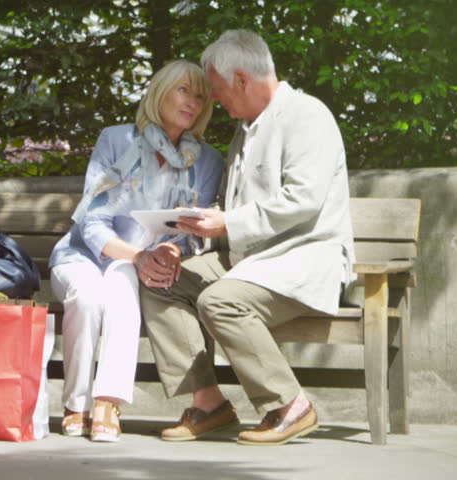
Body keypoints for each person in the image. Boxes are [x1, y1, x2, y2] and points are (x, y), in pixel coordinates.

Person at [139, 30, 356, 446]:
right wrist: (192, 233)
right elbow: (233, 213)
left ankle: (291, 405)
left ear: (242, 79)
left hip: (302, 258)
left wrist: (227, 223)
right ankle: (208, 404)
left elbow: (303, 201)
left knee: (220, 301)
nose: (215, 101)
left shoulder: (306, 115)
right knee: (160, 279)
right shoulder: (246, 129)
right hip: (249, 259)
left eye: (218, 90)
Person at [49, 59, 225, 442]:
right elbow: (92, 220)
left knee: (123, 289)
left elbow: (193, 231)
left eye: (200, 96)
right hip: (86, 255)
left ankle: (107, 401)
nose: (192, 102)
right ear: (160, 92)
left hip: (141, 264)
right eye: (183, 91)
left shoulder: (208, 161)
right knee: (88, 295)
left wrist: (172, 250)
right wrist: (136, 256)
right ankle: (75, 403)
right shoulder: (117, 140)